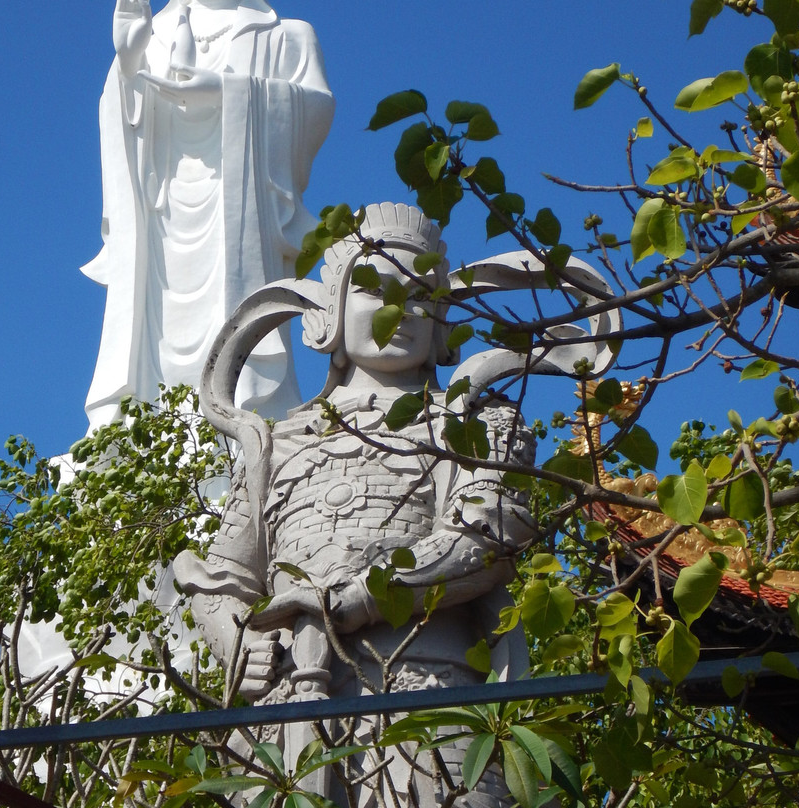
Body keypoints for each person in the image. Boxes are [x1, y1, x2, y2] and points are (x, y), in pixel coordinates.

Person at [173, 203, 538, 807]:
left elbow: (487, 537)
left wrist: (354, 598)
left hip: (428, 702)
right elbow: (224, 576)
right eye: (373, 289)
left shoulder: (475, 421)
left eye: (420, 295)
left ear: (442, 318)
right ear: (330, 312)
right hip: (285, 718)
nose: (400, 310)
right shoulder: (276, 443)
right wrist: (238, 641)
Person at [82, 0, 334, 430]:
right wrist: (127, 66)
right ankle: (141, 425)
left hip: (240, 213)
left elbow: (316, 109)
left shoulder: (286, 35)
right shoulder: (153, 36)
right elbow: (122, 120)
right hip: (160, 217)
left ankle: (241, 415)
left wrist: (225, 92)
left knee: (235, 322)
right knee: (148, 327)